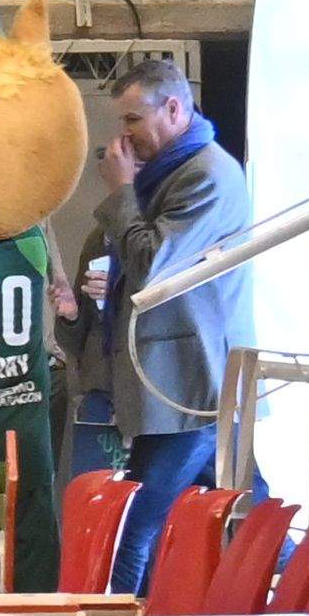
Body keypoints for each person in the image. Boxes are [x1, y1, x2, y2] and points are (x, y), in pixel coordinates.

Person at [83, 57, 243, 568]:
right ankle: (304, 589)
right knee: (246, 518)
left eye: (132, 120)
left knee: (130, 530)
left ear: (174, 109)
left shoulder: (207, 175)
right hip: (180, 383)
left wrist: (122, 192)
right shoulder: (169, 173)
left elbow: (153, 261)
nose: (123, 138)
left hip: (193, 386)